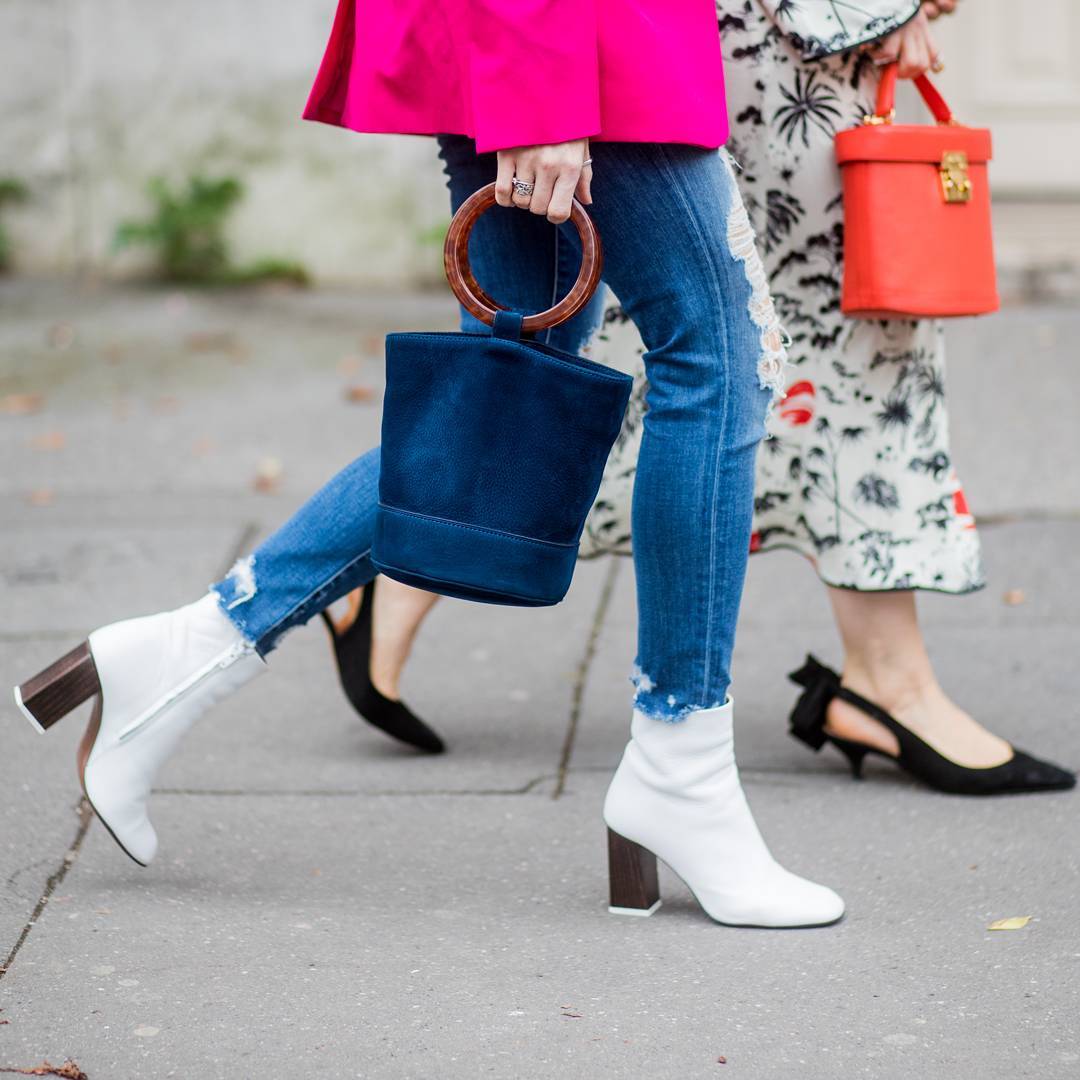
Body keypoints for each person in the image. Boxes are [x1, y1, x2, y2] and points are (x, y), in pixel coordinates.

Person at [14, 0, 844, 928]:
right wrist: (542, 89)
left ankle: (183, 655)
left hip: (545, 38)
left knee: (510, 394)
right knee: (720, 360)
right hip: (572, 33)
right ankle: (682, 767)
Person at [324, 0, 1074, 795]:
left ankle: (415, 567)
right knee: (793, 347)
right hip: (765, 42)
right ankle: (408, 566)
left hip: (736, 43)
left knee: (695, 359)